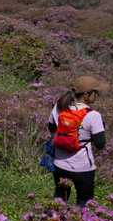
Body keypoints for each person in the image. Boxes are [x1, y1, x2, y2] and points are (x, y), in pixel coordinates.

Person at [46, 75, 108, 206]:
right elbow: (100, 144)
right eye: (95, 93)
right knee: (84, 203)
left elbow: (51, 128)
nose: (97, 96)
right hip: (83, 168)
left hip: (60, 165)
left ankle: (54, 218)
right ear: (86, 95)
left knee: (60, 200)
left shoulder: (59, 107)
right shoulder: (93, 115)